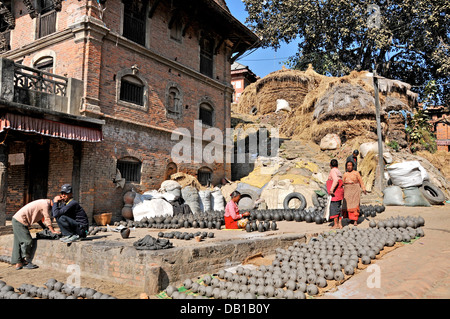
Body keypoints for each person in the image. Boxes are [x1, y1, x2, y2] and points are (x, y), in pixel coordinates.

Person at [11, 199, 59, 270]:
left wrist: (43, 227)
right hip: (20, 221)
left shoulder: (42, 203)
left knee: (17, 242)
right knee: (27, 241)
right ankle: (24, 261)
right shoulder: (45, 204)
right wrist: (52, 230)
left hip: (17, 220)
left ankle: (18, 263)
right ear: (53, 204)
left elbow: (37, 218)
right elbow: (47, 218)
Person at [342, 160, 367, 226]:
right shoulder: (345, 174)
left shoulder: (356, 173)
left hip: (355, 190)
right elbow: (342, 182)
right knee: (348, 205)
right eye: (348, 165)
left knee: (355, 205)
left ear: (353, 166)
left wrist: (363, 188)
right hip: (347, 191)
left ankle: (355, 220)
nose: (349, 167)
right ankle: (350, 219)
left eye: (350, 165)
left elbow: (361, 181)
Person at [326, 159, 344, 229]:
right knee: (339, 208)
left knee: (334, 208)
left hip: (335, 193)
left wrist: (331, 190)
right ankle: (340, 224)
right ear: (337, 165)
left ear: (330, 165)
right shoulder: (338, 171)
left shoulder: (333, 171)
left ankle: (336, 224)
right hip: (339, 192)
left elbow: (336, 180)